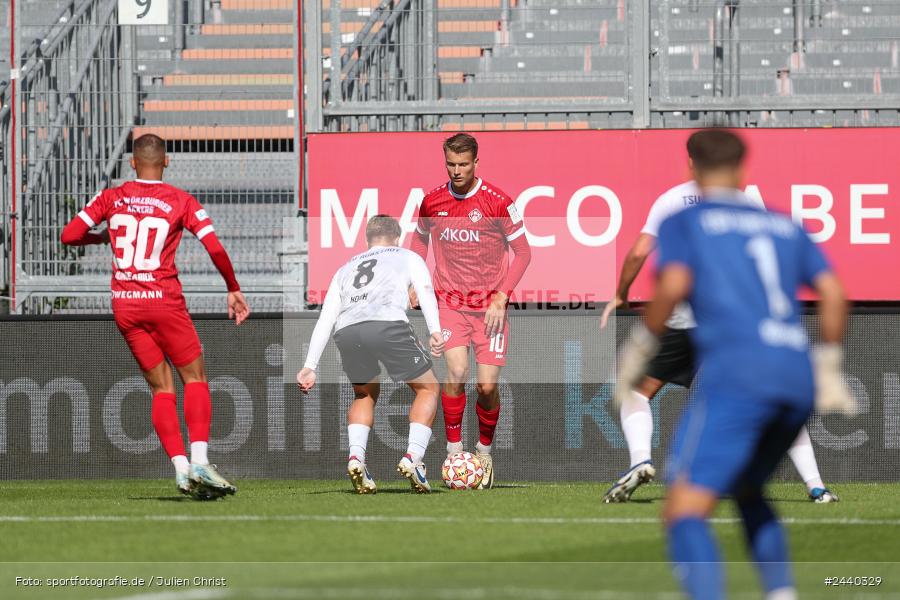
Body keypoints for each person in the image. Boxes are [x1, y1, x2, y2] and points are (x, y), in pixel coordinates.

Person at [615, 129, 854, 600]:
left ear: (693, 170)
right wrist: (827, 365)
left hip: (740, 373)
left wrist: (640, 346)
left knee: (682, 508)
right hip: (796, 373)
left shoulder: (689, 220)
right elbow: (832, 293)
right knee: (747, 490)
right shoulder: (783, 224)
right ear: (744, 169)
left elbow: (673, 283)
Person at [600, 176, 836, 504]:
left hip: (686, 316)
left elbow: (640, 252)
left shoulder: (672, 199)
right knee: (773, 400)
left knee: (637, 390)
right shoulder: (749, 204)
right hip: (737, 320)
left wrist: (621, 294)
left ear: (692, 163)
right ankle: (817, 486)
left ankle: (640, 460)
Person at [61, 133, 249, 499]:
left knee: (161, 387)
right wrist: (233, 287)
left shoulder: (111, 197)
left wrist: (99, 240)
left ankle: (180, 470)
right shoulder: (181, 200)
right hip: (164, 301)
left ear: (132, 163)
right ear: (167, 161)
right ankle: (199, 460)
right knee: (194, 379)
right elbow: (214, 246)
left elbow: (69, 234)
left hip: (126, 304)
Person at [409, 133, 532, 489]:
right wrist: (415, 280)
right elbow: (418, 240)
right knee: (457, 370)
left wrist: (502, 296)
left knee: (487, 386)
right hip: (449, 302)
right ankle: (453, 452)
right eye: (451, 164)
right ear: (444, 161)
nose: (457, 170)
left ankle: (484, 452)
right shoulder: (432, 202)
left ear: (477, 163)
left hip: (490, 308)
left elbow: (524, 252)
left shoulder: (498, 202)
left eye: (464, 164)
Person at [297, 215, 445, 494]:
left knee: (365, 394)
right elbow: (424, 291)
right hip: (387, 325)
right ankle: (413, 458)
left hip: (348, 331)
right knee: (428, 388)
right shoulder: (408, 256)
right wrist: (435, 330)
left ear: (367, 240)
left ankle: (356, 459)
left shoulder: (344, 268)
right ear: (396, 238)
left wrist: (309, 365)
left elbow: (326, 318)